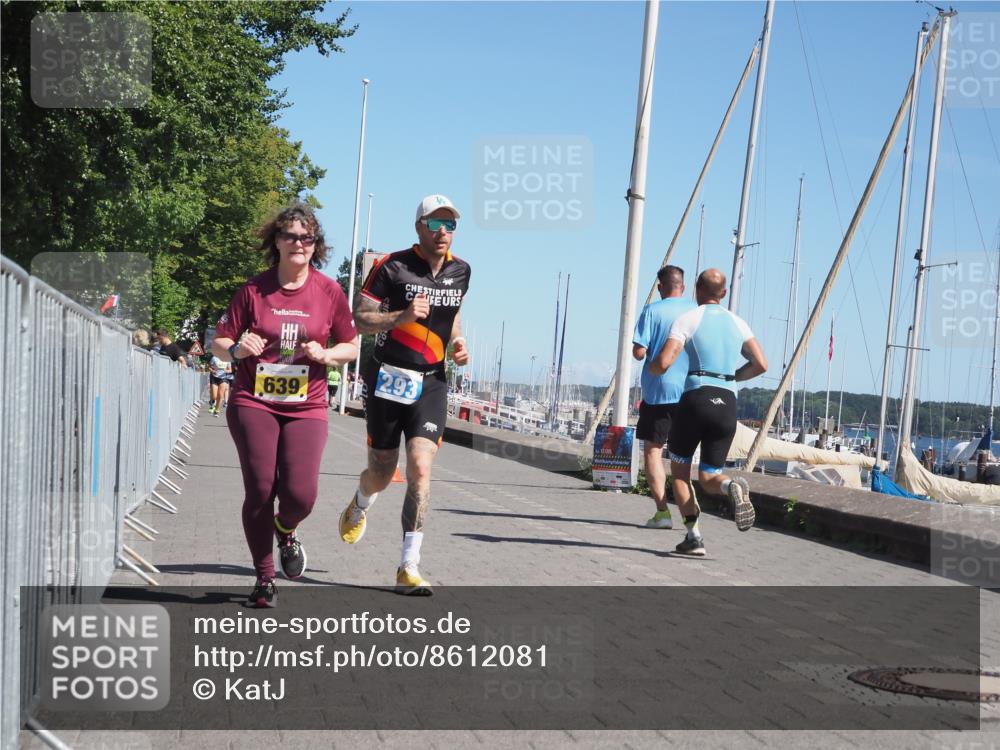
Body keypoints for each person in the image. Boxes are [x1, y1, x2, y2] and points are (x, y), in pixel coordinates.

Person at [212, 203, 359, 607]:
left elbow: (351, 344)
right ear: (276, 241)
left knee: (301, 495)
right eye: (291, 236)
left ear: (316, 246)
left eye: (307, 237)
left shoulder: (329, 292)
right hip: (253, 401)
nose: (299, 243)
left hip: (306, 405)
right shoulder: (253, 291)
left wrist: (328, 356)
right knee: (260, 489)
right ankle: (264, 578)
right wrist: (238, 348)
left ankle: (286, 529)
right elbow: (220, 343)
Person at [340, 194, 470, 596]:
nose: (443, 232)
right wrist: (401, 316)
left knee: (421, 467)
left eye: (450, 225)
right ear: (419, 227)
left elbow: (454, 315)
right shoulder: (391, 266)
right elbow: (359, 319)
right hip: (388, 378)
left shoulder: (462, 271)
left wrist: (459, 343)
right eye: (435, 224)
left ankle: (408, 566)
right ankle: (361, 501)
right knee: (381, 471)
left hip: (431, 381)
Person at [649, 268, 768, 556]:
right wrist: (732, 378)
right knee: (710, 476)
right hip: (727, 402)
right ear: (724, 293)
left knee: (680, 473)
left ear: (697, 291)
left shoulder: (690, 318)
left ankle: (693, 537)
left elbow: (665, 361)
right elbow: (761, 364)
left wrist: (652, 370)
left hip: (695, 399)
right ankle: (730, 488)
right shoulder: (738, 323)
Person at [631, 265, 696, 529]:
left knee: (654, 453)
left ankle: (662, 513)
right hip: (691, 392)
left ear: (660, 287)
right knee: (683, 457)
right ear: (683, 286)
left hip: (659, 392)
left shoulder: (652, 310)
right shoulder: (696, 312)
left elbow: (638, 352)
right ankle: (690, 519)